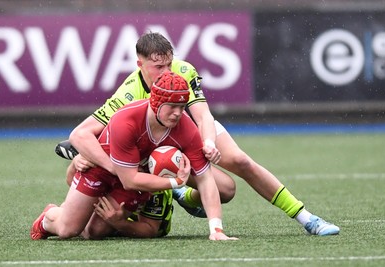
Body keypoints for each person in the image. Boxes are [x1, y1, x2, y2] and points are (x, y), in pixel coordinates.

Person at [63, 32, 339, 236]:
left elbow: (202, 115)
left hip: (187, 130)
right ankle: (172, 185)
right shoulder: (128, 92)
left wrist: (207, 142)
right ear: (140, 65)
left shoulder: (183, 71)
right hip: (150, 145)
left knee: (237, 171)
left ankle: (307, 218)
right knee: (86, 182)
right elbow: (82, 134)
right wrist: (95, 160)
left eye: (168, 64)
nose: (166, 72)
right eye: (158, 67)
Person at [30, 71, 238, 241]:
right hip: (103, 170)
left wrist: (216, 229)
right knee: (68, 230)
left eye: (182, 107)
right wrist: (175, 183)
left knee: (95, 232)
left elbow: (205, 179)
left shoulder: (186, 128)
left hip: (136, 177)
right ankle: (49, 216)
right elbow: (129, 180)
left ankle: (79, 210)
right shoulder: (126, 120)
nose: (178, 113)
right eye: (172, 106)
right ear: (156, 102)